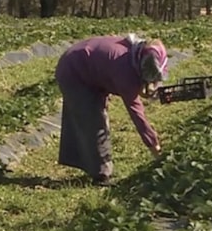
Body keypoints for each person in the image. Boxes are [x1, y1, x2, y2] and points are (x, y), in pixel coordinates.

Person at [54, 33, 168, 186]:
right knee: (94, 121)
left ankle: (90, 164)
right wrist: (154, 145)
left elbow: (138, 81)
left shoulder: (135, 53)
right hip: (73, 71)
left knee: (93, 115)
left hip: (86, 66)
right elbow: (137, 114)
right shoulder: (124, 69)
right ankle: (101, 175)